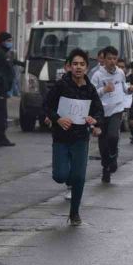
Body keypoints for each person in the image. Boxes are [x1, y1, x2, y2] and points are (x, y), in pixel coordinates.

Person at [44, 49, 104, 226]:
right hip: (61, 137)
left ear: (86, 67)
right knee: (60, 175)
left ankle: (75, 212)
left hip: (80, 138)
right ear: (69, 66)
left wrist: (95, 121)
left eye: (82, 64)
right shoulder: (60, 86)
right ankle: (68, 179)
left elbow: (99, 111)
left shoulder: (90, 89)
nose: (78, 67)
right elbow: (46, 106)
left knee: (79, 177)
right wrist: (58, 119)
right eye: (75, 64)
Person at [90, 46, 133, 183]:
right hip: (102, 111)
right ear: (104, 59)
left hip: (117, 109)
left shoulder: (120, 72)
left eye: (114, 58)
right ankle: (106, 168)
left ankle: (113, 158)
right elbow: (91, 93)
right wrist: (104, 89)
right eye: (109, 58)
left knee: (113, 136)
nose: (112, 61)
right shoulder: (98, 74)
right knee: (103, 143)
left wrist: (129, 90)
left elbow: (124, 87)